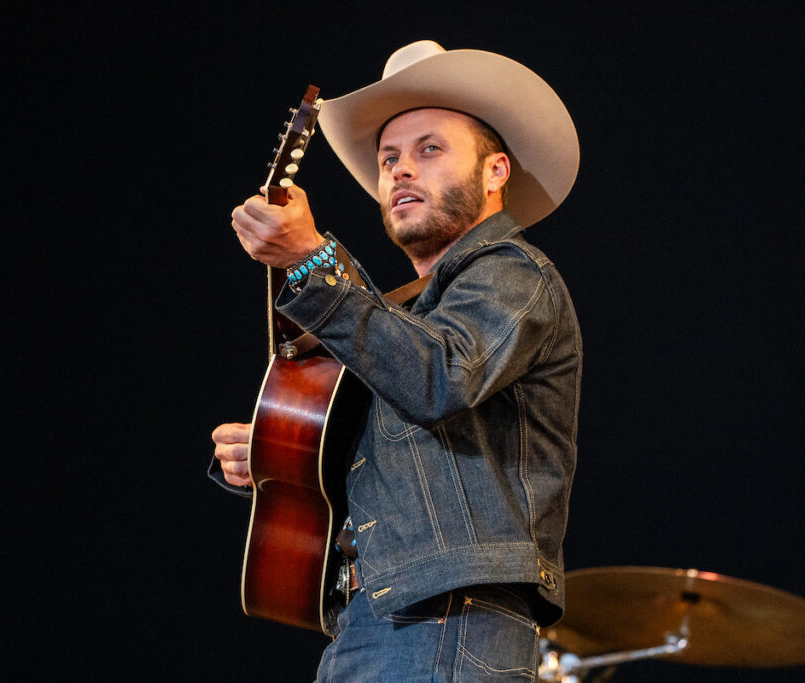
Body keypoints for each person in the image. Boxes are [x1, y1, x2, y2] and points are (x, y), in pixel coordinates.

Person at [211, 40, 582, 681]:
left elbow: (442, 379)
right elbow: (399, 429)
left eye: (429, 149)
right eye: (389, 159)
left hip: (449, 613)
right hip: (376, 616)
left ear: (495, 172)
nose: (400, 171)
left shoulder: (513, 273)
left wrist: (310, 262)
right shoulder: (403, 323)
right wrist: (282, 445)